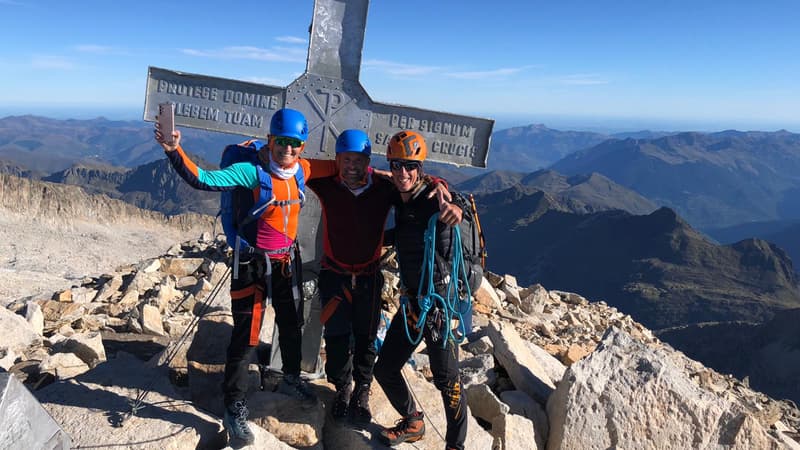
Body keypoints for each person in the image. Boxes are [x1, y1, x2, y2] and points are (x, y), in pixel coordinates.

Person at [154, 108, 334, 445]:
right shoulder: (252, 173)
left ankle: (291, 377)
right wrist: (173, 150)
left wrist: (413, 178)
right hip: (251, 264)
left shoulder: (302, 170)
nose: (288, 149)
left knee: (291, 324)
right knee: (246, 338)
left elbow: (344, 168)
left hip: (284, 263)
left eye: (295, 143)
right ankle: (234, 407)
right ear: (270, 139)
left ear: (303, 145)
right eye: (282, 141)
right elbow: (204, 179)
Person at [306, 129, 454, 428]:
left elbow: (411, 180)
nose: (352, 167)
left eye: (358, 160)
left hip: (369, 276)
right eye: (346, 160)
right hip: (334, 275)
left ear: (367, 162)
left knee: (366, 337)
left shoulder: (382, 187)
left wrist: (440, 183)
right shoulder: (325, 184)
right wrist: (256, 150)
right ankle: (342, 387)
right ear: (337, 160)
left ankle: (361, 390)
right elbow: (291, 167)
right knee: (335, 339)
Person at [373, 130, 470, 450]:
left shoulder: (433, 199)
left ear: (420, 167)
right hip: (413, 303)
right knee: (385, 368)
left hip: (437, 306)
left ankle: (456, 446)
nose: (403, 172)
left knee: (448, 382)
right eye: (397, 165)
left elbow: (453, 205)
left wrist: (455, 206)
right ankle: (413, 421)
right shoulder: (400, 199)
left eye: (410, 166)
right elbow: (402, 232)